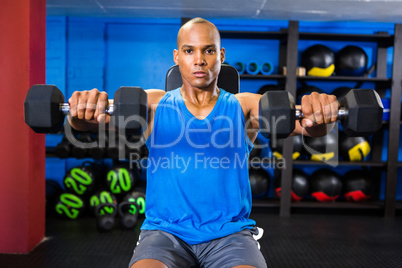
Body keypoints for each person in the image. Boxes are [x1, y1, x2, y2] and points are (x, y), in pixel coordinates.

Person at [68, 17, 338, 268]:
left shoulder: (244, 106)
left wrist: (321, 114)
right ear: (177, 57)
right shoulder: (154, 104)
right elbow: (90, 123)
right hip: (164, 233)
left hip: (230, 234)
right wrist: (82, 111)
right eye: (189, 51)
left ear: (221, 56)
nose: (199, 60)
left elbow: (307, 127)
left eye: (208, 50)